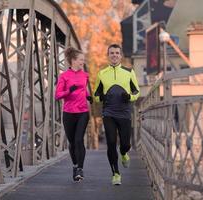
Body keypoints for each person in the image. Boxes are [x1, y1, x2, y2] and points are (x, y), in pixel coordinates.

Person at [93, 44, 140, 185]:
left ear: (120, 56)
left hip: (124, 113)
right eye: (112, 53)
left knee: (125, 144)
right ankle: (116, 174)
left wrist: (129, 97)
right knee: (111, 143)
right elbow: (96, 95)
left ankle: (124, 154)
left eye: (117, 53)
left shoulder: (129, 71)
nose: (114, 55)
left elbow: (137, 91)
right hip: (109, 113)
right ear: (108, 55)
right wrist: (102, 98)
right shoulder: (102, 74)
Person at [54, 47, 93, 182]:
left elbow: (84, 90)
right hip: (69, 113)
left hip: (83, 112)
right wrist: (69, 91)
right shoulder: (64, 76)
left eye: (83, 59)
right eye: (81, 59)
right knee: (72, 142)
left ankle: (80, 169)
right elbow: (57, 95)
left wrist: (89, 97)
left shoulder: (85, 75)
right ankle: (75, 165)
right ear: (73, 60)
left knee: (78, 140)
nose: (83, 61)